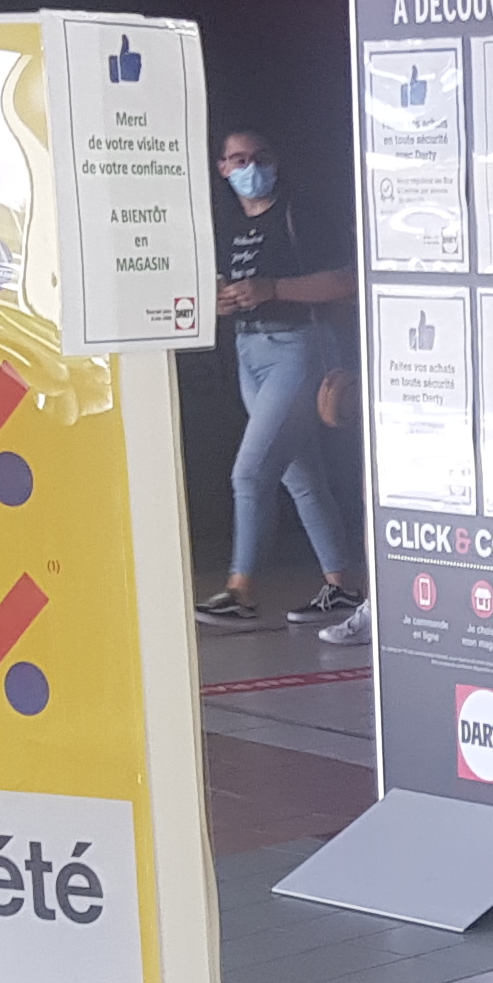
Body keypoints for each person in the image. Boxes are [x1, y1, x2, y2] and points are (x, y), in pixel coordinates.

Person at [201, 129, 364, 629]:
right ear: (223, 168)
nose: (250, 168)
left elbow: (346, 279)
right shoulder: (226, 226)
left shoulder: (298, 214)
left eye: (260, 157)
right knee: (300, 475)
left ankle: (241, 592)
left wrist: (273, 288)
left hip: (297, 348)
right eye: (238, 160)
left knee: (251, 473)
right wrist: (223, 300)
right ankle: (341, 587)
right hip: (247, 348)